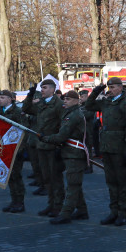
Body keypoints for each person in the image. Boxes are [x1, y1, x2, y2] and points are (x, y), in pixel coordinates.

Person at [85, 77, 126, 226]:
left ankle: (122, 213)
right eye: (109, 87)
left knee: (122, 183)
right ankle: (113, 212)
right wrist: (96, 91)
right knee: (111, 182)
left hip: (120, 148)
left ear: (121, 87)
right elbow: (89, 105)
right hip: (107, 147)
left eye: (114, 87)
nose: (111, 90)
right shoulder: (106, 102)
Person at [43, 90, 89, 224]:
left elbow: (62, 136)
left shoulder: (74, 115)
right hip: (69, 153)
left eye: (68, 99)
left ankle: (65, 213)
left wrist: (46, 138)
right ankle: (82, 210)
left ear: (76, 101)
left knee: (73, 185)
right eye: (64, 99)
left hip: (74, 154)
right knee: (75, 183)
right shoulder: (69, 113)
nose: (65, 101)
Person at [23, 79, 65, 218]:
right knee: (46, 178)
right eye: (41, 88)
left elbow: (62, 125)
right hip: (41, 145)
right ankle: (51, 204)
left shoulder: (58, 104)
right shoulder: (41, 104)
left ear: (53, 89)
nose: (42, 90)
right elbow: (26, 109)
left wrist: (60, 144)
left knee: (55, 178)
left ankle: (58, 206)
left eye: (45, 88)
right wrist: (30, 94)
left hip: (53, 146)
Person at [0, 90, 29, 213]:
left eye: (3, 97)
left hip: (15, 149)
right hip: (4, 148)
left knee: (16, 176)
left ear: (10, 99)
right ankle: (14, 200)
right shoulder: (0, 111)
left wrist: (20, 149)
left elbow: (24, 130)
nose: (0, 99)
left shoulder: (17, 112)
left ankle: (20, 202)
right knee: (9, 177)